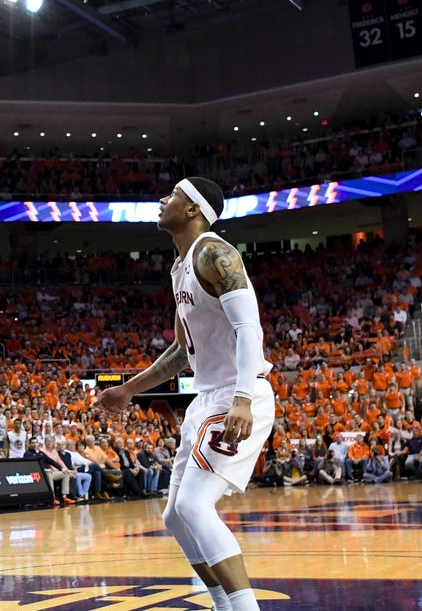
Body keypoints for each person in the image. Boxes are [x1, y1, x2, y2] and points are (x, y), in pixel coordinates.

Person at [96, 177, 275, 611]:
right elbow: (181, 352)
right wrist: (129, 390)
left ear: (194, 208)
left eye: (172, 195)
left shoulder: (215, 253)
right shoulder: (180, 267)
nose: (162, 200)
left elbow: (249, 328)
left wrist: (243, 398)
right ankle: (221, 603)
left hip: (237, 393)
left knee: (195, 505)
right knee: (175, 516)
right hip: (206, 398)